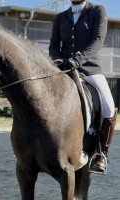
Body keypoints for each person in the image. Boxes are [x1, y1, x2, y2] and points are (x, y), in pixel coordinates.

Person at [49, 0, 117, 173]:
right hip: (63, 68)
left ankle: (101, 154)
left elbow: (98, 40)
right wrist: (58, 61)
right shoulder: (61, 17)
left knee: (109, 108)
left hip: (90, 68)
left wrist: (78, 60)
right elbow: (54, 45)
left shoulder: (97, 11)